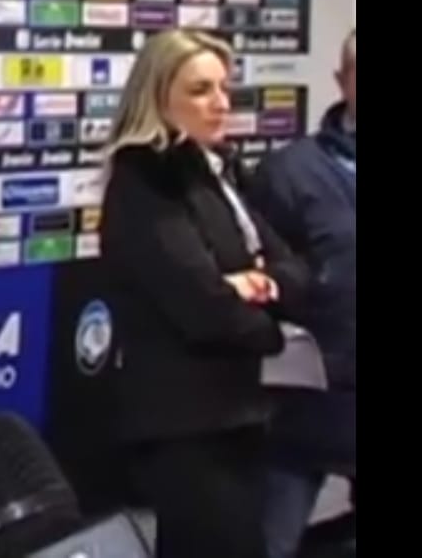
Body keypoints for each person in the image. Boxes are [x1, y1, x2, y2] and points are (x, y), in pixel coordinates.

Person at [96, 28, 311, 558]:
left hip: (240, 412)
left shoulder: (218, 171)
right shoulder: (145, 180)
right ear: (157, 96)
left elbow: (296, 270)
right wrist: (270, 325)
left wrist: (257, 283)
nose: (220, 104)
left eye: (223, 88)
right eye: (199, 90)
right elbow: (206, 308)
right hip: (183, 426)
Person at [246, 29, 357, 558]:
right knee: (269, 543)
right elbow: (262, 280)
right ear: (342, 80)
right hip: (304, 405)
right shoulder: (288, 173)